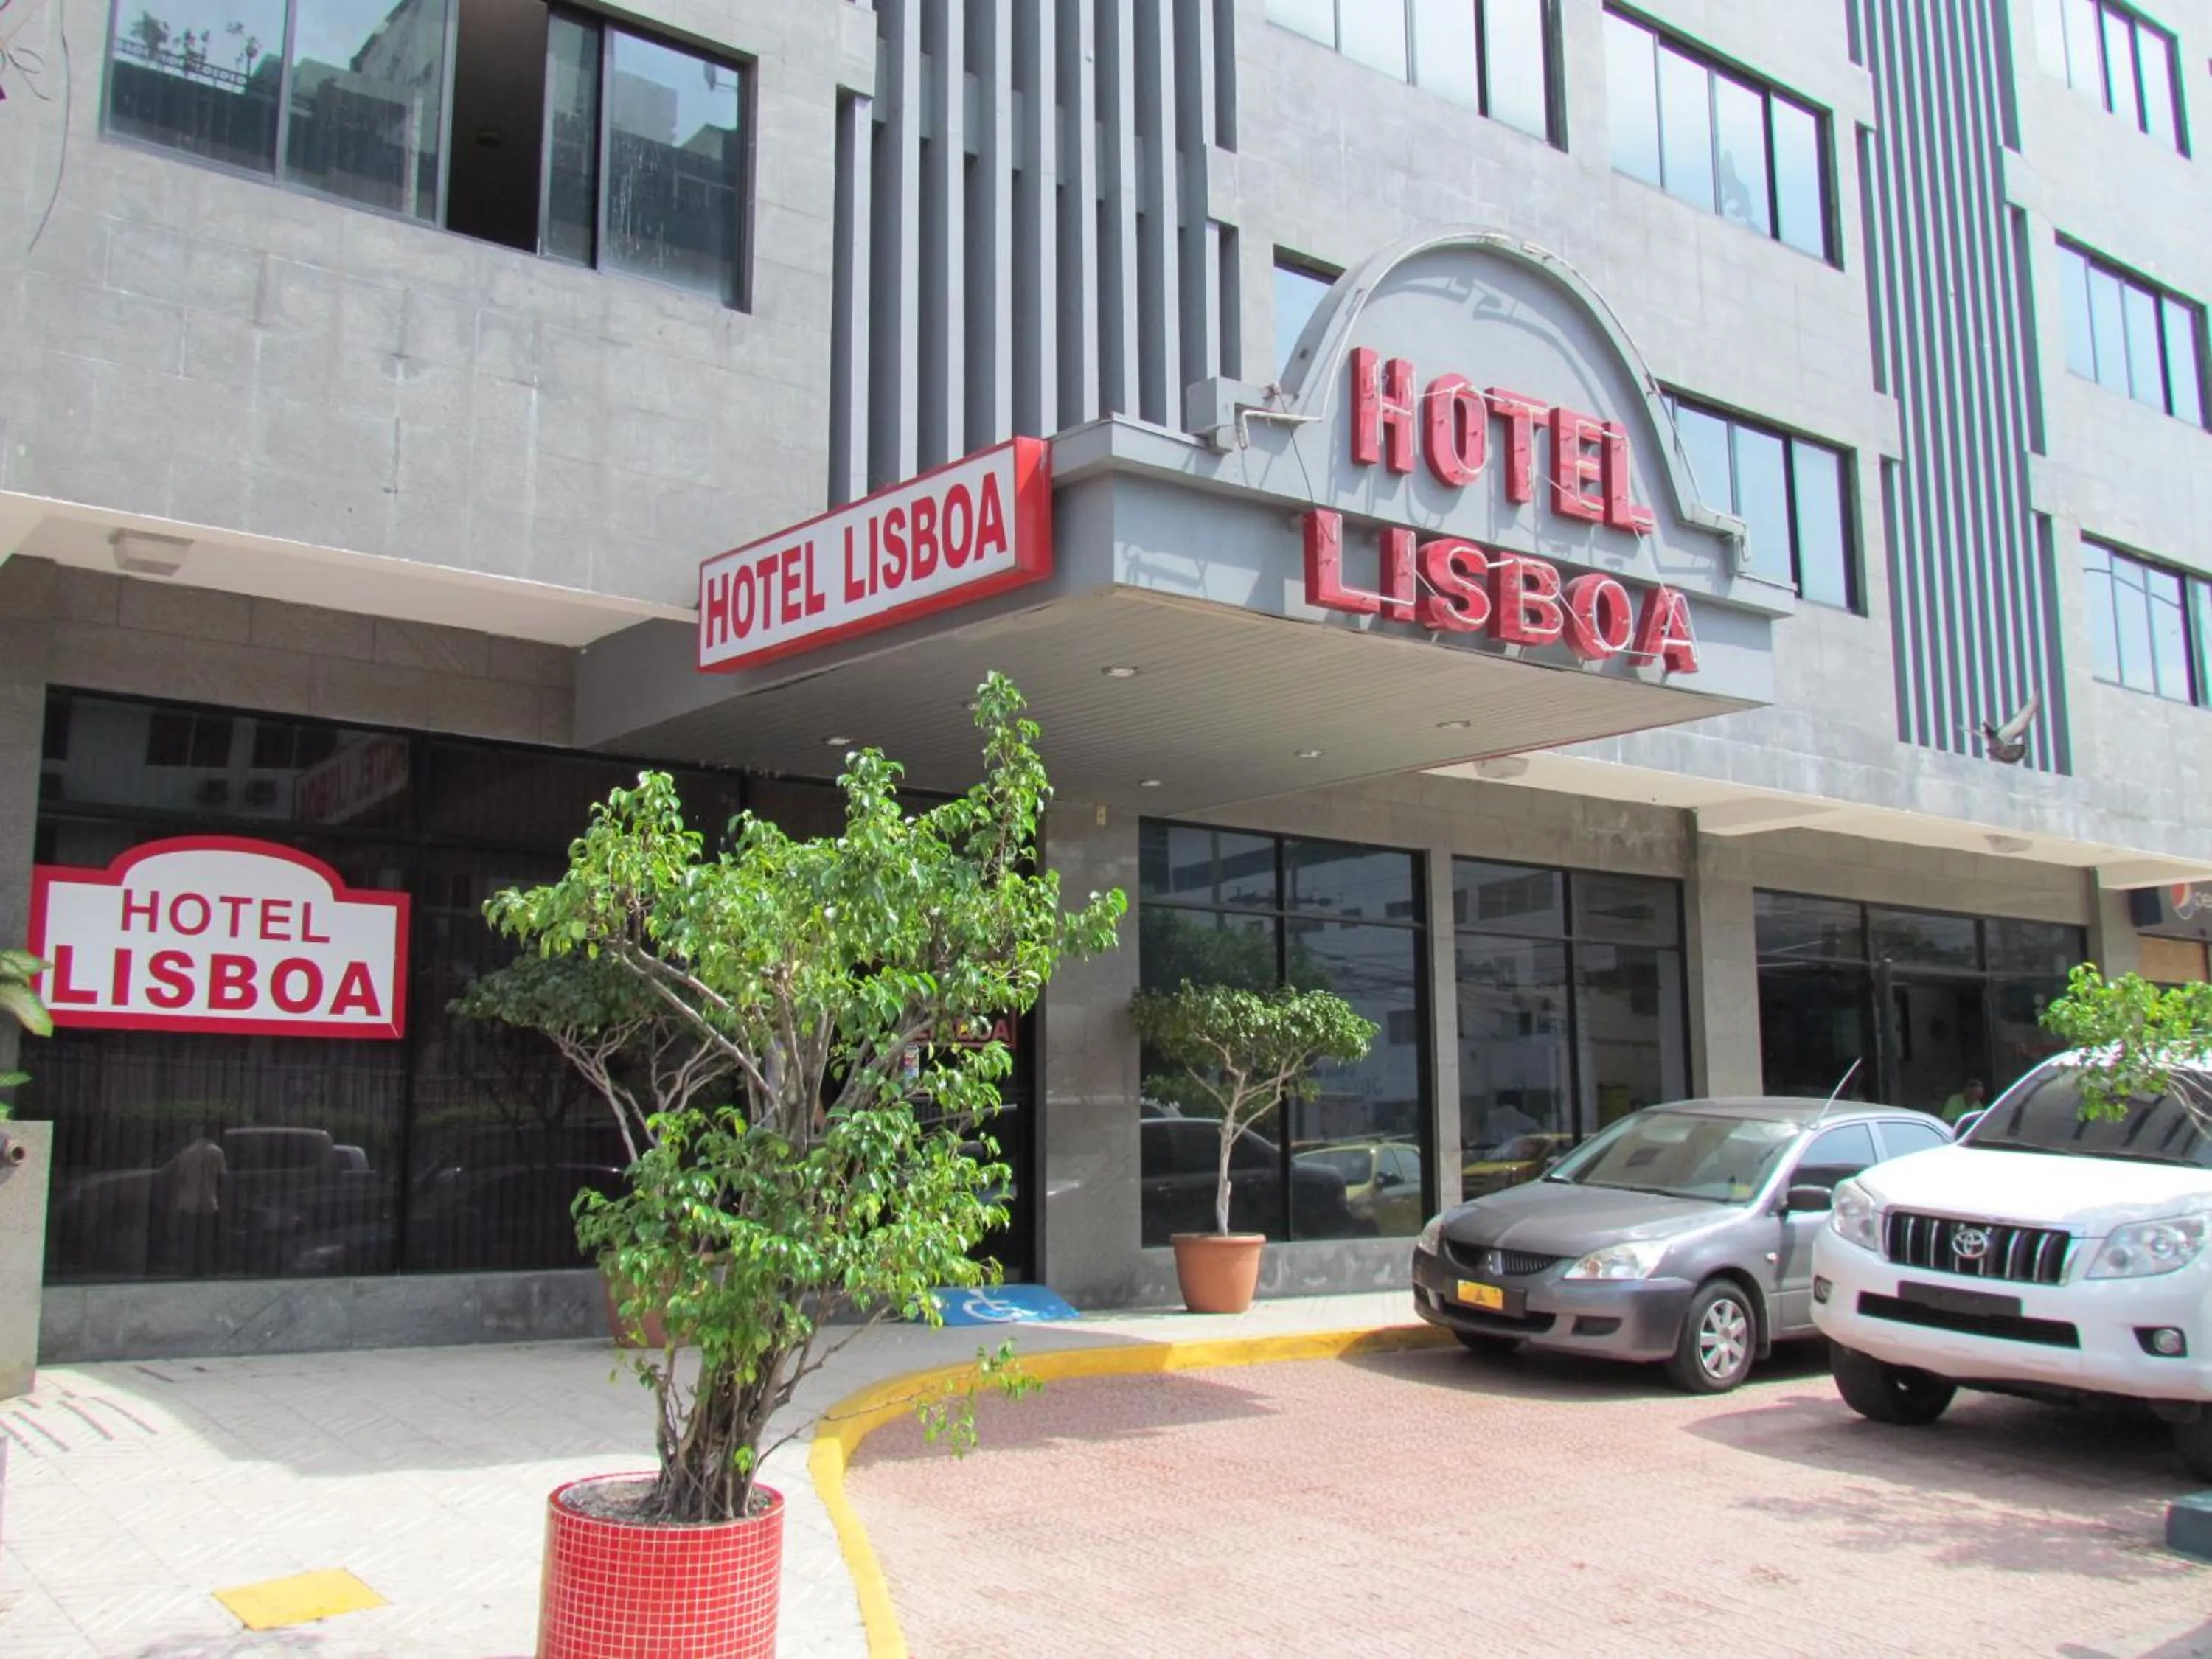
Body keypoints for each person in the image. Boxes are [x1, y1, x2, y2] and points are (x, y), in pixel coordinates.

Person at [166, 1123, 226, 1276]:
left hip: (189, 1201)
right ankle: (205, 1268)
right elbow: (221, 1177)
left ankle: (189, 1267)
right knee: (206, 1238)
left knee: (189, 1238)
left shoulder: (186, 1153)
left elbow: (180, 1177)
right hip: (209, 1200)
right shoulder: (217, 1152)